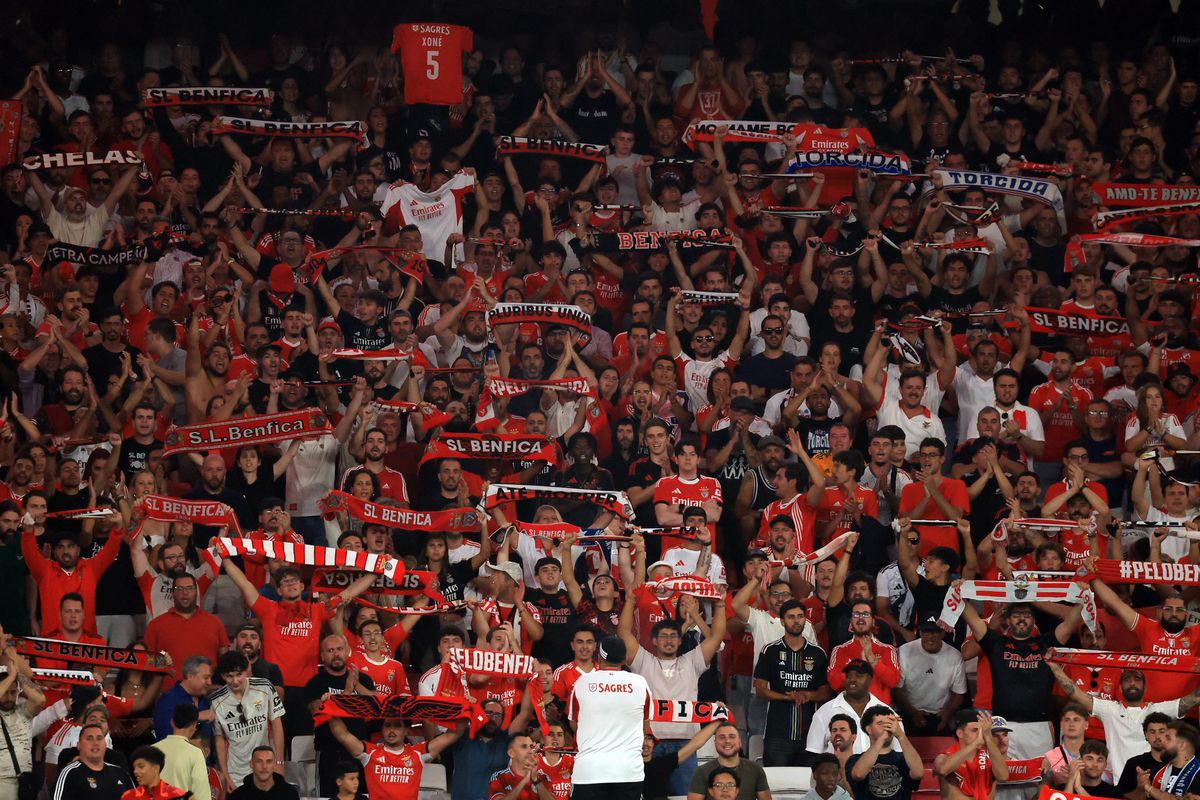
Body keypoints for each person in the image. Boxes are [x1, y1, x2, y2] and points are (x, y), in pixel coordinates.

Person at [1047, 660, 1200, 782]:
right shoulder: (1110, 710)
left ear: (1145, 688)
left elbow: (1193, 699)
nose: (1132, 683)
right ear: (1120, 688)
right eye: (1127, 679)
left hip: (1154, 783)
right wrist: (1054, 667)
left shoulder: (1158, 710)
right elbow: (1075, 693)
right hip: (1119, 786)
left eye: (1137, 679)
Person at [568, 635, 652, 800]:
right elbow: (645, 725)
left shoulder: (583, 682)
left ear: (598, 657)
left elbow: (574, 724)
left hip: (590, 771)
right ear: (625, 659)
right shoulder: (640, 683)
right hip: (628, 771)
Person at [752, 598, 831, 766]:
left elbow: (826, 692)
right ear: (782, 621)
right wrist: (789, 697)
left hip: (810, 735)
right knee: (777, 786)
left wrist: (808, 694)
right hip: (777, 734)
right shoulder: (770, 651)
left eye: (800, 616)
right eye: (791, 617)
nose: (796, 621)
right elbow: (760, 690)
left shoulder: (818, 653)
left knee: (808, 785)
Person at [327, 715, 461, 800]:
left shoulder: (418, 752)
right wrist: (330, 710)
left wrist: (465, 711)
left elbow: (451, 735)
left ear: (406, 730)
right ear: (382, 729)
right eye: (387, 725)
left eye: (397, 725)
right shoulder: (370, 752)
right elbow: (342, 735)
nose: (391, 730)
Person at [211, 651, 285, 793]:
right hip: (236, 773)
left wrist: (279, 762)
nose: (235, 681)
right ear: (222, 676)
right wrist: (225, 775)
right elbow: (219, 739)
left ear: (246, 672)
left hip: (265, 768)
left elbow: (276, 723)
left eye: (239, 675)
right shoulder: (217, 701)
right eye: (229, 676)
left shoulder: (265, 687)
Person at [892, 616, 968, 735]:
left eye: (935, 632)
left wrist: (947, 713)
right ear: (919, 632)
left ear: (943, 632)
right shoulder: (904, 652)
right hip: (907, 712)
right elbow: (896, 689)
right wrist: (913, 713)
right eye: (926, 631)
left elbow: (959, 693)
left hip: (939, 715)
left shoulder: (955, 656)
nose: (930, 636)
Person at [934, 710, 1009, 800]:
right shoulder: (945, 757)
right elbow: (943, 769)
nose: (980, 734)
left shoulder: (991, 756)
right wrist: (975, 744)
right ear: (960, 733)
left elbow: (1003, 777)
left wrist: (988, 737)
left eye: (982, 730)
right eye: (975, 730)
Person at [686, 723, 771, 800]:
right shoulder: (702, 772)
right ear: (715, 743)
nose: (727, 741)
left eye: (732, 736)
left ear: (740, 742)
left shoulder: (755, 769)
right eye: (722, 737)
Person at [52, 723, 134, 800]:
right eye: (89, 738)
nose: (95, 743)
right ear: (78, 745)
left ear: (105, 744)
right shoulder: (69, 773)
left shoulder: (121, 773)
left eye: (99, 738)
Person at [154, 704, 212, 800]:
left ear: (172, 722)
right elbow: (202, 795)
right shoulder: (195, 753)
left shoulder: (152, 750)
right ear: (194, 725)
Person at [1142, 722, 1200, 800]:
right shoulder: (1156, 771)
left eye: (1168, 738)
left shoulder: (1197, 772)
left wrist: (1150, 789)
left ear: (1182, 745)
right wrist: (1141, 786)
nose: (1161, 741)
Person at [227, 747, 299, 800]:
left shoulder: (290, 793)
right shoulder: (237, 796)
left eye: (269, 761)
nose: (264, 766)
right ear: (251, 764)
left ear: (274, 765)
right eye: (259, 761)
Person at [121, 745, 187, 800]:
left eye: (141, 766)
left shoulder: (177, 795)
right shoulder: (128, 796)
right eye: (134, 768)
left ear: (156, 768)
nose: (135, 771)